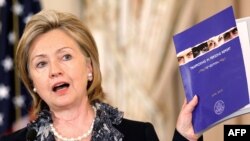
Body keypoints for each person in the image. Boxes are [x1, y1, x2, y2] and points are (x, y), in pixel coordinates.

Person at [0, 10, 202, 141]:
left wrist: (185, 137)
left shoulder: (139, 135)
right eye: (41, 64)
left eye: (66, 57)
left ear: (89, 67)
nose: (54, 71)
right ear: (32, 81)